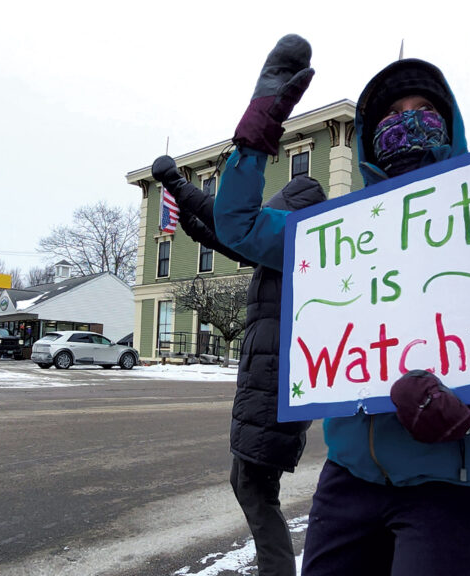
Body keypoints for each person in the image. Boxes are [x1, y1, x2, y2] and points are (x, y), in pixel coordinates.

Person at [214, 35, 470, 576]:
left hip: (460, 484)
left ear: (449, 123)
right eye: (394, 114)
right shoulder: (342, 231)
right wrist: (259, 126)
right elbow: (238, 225)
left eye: (424, 110)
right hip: (352, 476)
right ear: (372, 135)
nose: (409, 121)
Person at [150, 35, 325, 576]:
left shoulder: (307, 247)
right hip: (265, 385)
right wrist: (184, 204)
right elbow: (223, 230)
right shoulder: (280, 254)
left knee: (252, 487)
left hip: (275, 387)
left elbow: (228, 222)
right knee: (250, 485)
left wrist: (177, 183)